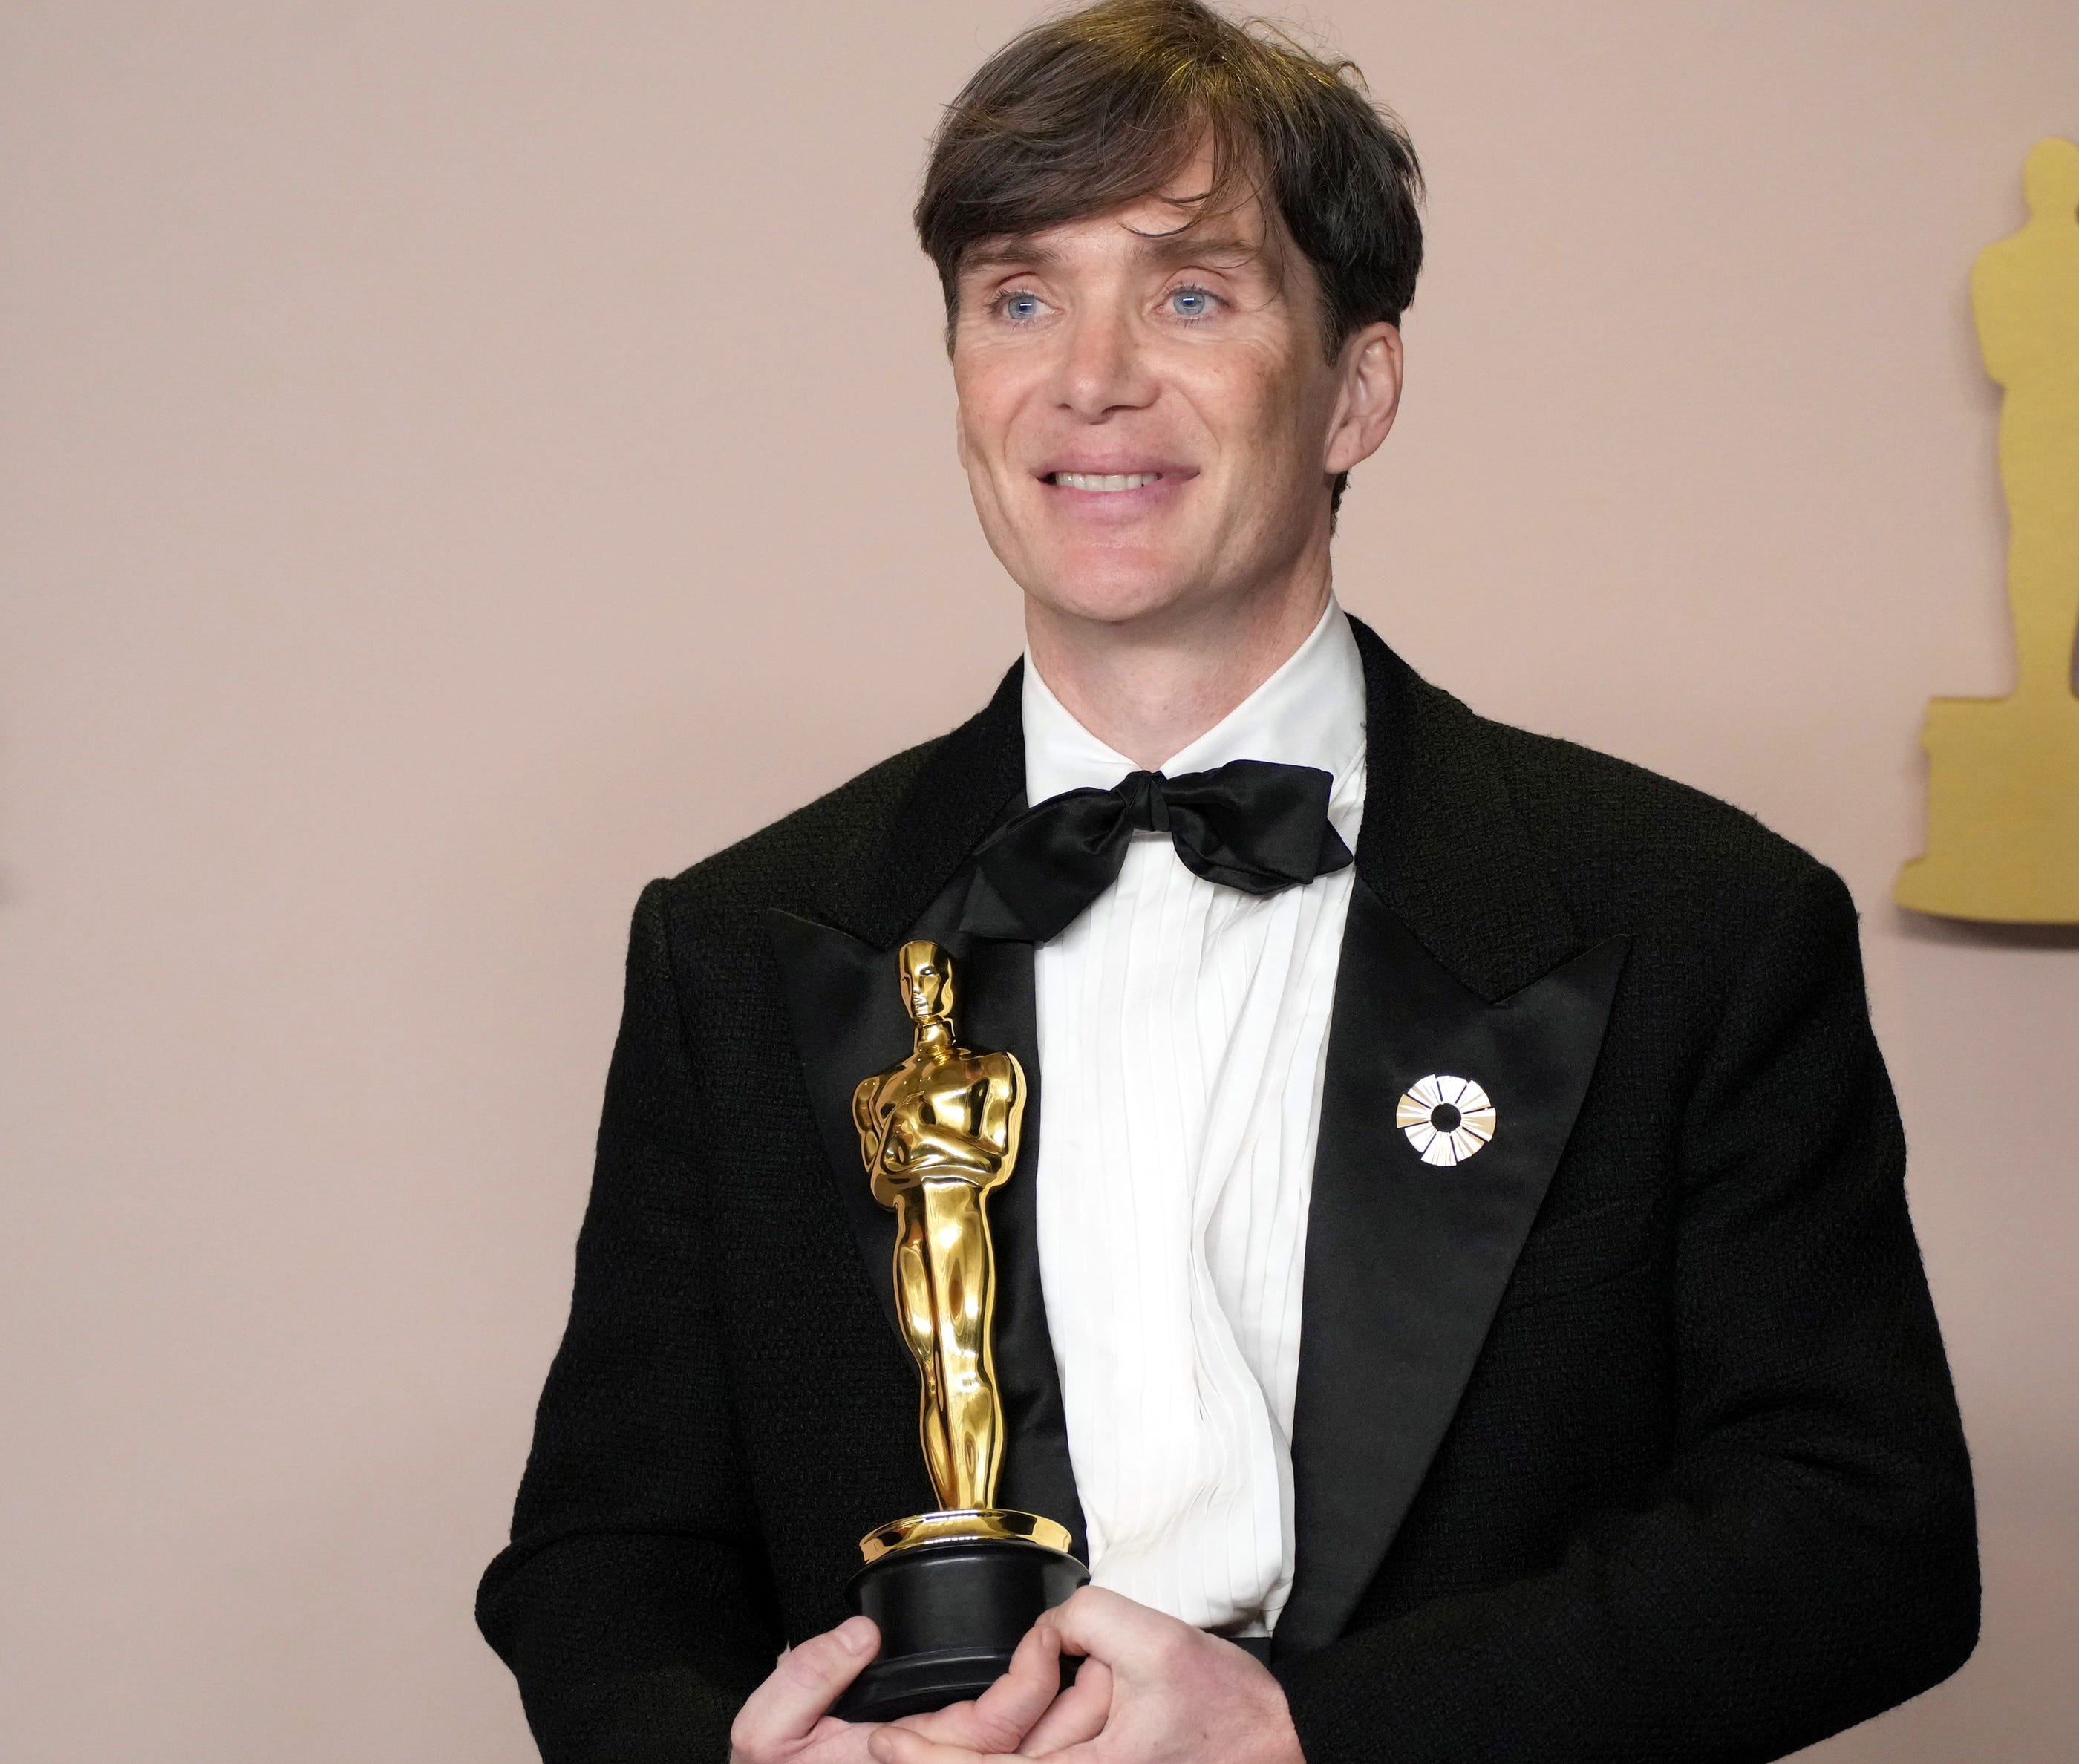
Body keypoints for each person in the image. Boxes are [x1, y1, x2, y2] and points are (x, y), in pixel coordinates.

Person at [477, 3, 1980, 1760]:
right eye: (1018, 297)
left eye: (1192, 293)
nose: (1090, 376)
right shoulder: (739, 941)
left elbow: (1859, 1536)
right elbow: (606, 1557)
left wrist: (1308, 1739)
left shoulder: (1697, 918)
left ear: (1357, 387)